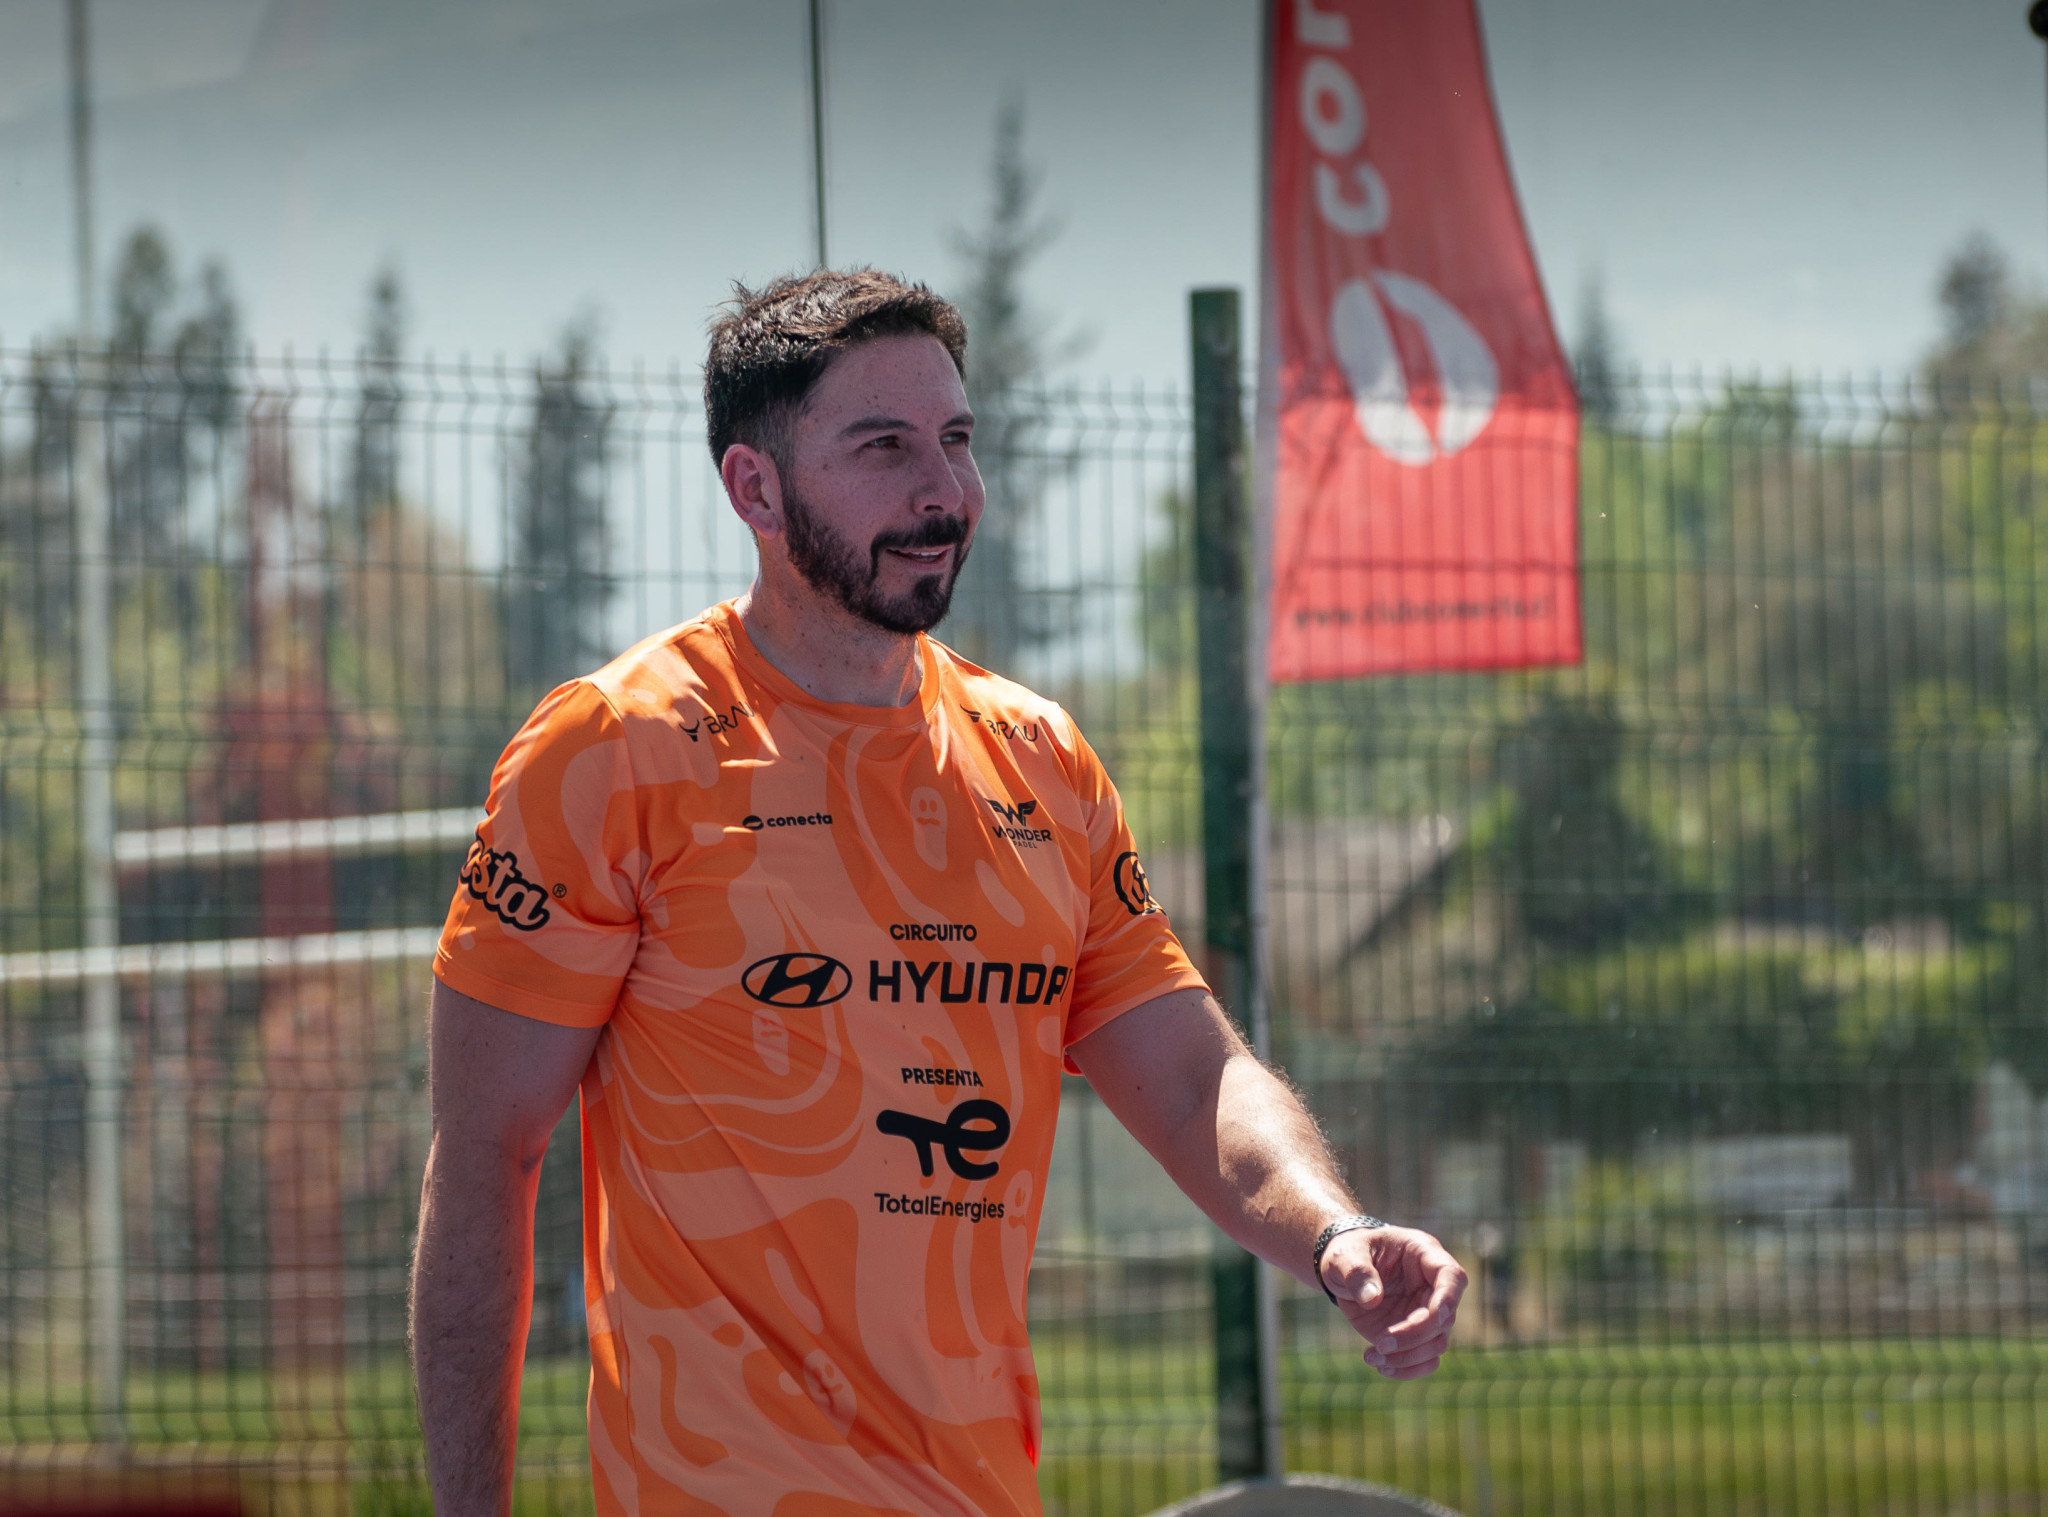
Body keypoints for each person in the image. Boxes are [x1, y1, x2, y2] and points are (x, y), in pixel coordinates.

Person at [410, 269, 1465, 1517]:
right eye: (883, 447)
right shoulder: (614, 749)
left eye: (956, 439)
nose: (943, 490)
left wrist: (1334, 1231)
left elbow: (1192, 1081)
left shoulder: (1040, 758)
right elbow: (488, 1154)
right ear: (754, 488)